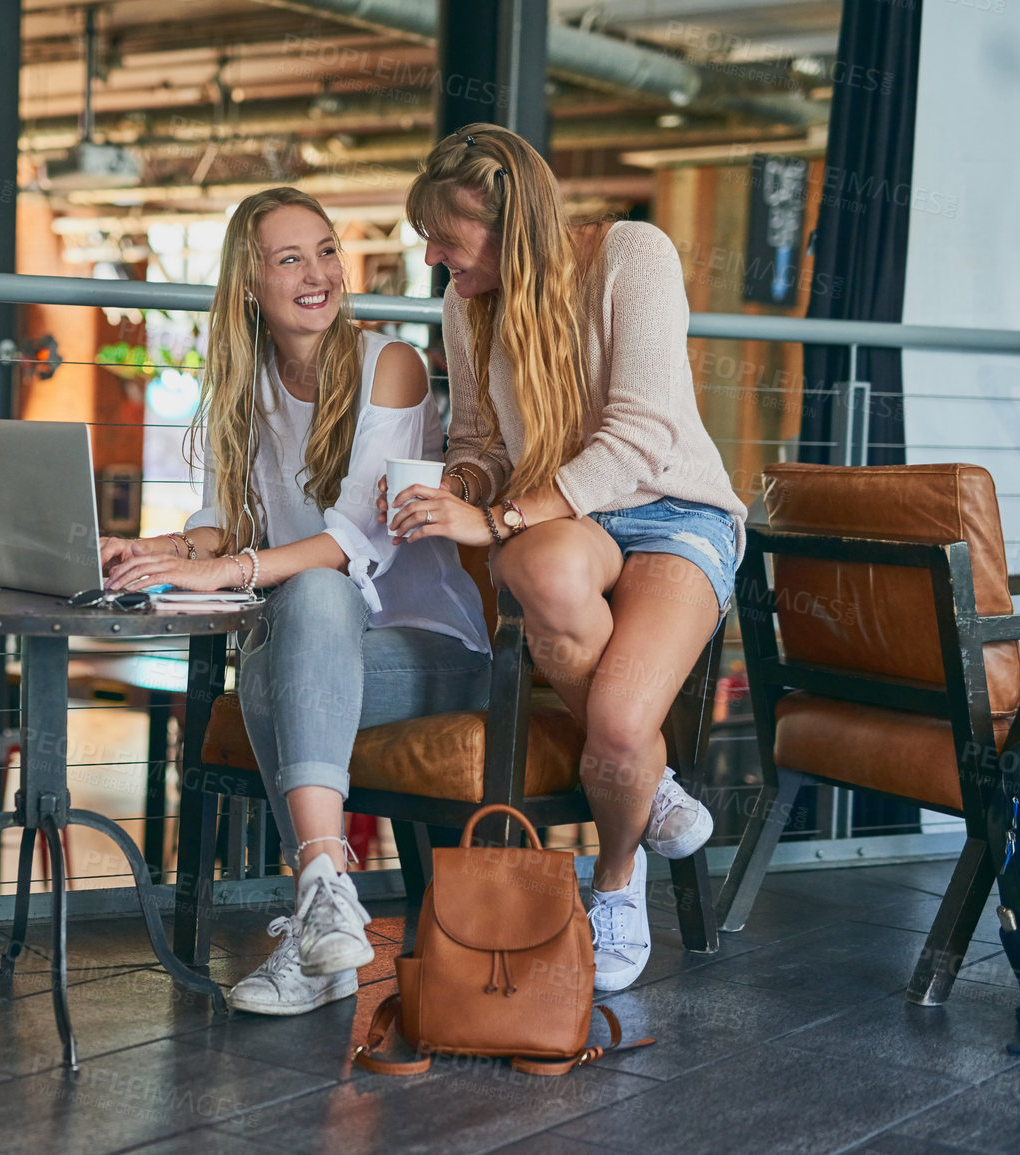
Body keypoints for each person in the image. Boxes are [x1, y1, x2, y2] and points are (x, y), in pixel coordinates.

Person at [100, 187, 492, 1015]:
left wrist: (231, 568)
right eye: (290, 259)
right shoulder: (244, 384)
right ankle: (326, 905)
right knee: (292, 634)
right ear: (249, 283)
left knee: (304, 608)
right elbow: (221, 521)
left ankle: (319, 932)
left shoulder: (390, 362)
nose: (317, 273)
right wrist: (164, 552)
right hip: (314, 653)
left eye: (324, 251)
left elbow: (363, 539)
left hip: (428, 654)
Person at [382, 124, 746, 993]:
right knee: (531, 568)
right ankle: (647, 789)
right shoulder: (468, 303)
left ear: (511, 222)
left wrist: (499, 513)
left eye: (446, 236)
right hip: (569, 519)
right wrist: (457, 487)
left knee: (619, 728)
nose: (434, 258)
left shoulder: (632, 254)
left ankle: (615, 878)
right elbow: (478, 438)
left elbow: (639, 437)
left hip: (672, 509)